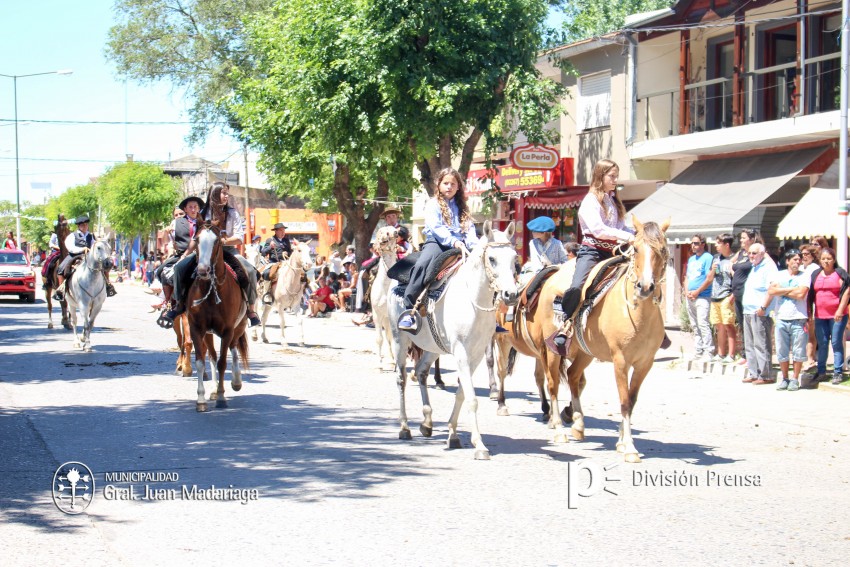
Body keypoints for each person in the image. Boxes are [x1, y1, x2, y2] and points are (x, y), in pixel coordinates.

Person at [553, 159, 634, 347]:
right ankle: (566, 324)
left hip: (613, 251)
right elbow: (598, 230)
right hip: (593, 251)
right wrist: (626, 236)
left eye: (616, 176)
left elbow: (621, 227)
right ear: (600, 176)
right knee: (577, 286)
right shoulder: (590, 200)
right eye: (611, 176)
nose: (615, 180)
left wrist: (636, 233)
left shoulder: (612, 200)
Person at [163, 182, 261, 327]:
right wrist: (185, 255)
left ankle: (251, 310)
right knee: (179, 269)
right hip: (204, 253)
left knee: (251, 271)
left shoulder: (232, 213)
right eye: (224, 193)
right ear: (214, 194)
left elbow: (240, 237)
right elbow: (195, 238)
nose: (227, 196)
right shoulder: (202, 214)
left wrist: (220, 241)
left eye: (227, 193)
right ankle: (178, 303)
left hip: (228, 252)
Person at [398, 167, 478, 331]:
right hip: (437, 242)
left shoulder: (463, 207)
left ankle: (492, 315)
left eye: (453, 184)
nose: (449, 187)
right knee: (422, 264)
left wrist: (475, 246)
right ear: (439, 185)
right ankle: (409, 310)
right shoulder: (433, 204)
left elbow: (469, 230)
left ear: (458, 187)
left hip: (462, 244)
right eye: (446, 183)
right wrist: (453, 241)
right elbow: (436, 227)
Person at [768, 249, 810, 391]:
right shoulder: (779, 275)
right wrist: (791, 289)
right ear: (787, 261)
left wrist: (783, 289)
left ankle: (795, 378)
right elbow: (771, 291)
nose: (797, 262)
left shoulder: (805, 276)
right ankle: (785, 378)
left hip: (798, 318)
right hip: (781, 317)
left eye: (799, 260)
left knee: (798, 351)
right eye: (794, 259)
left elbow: (801, 294)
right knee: (782, 350)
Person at [807, 247, 850, 385]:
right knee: (823, 343)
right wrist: (810, 313)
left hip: (837, 315)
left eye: (829, 259)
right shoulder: (816, 274)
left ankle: (838, 372)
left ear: (834, 260)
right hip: (820, 315)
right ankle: (821, 371)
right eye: (823, 259)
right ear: (820, 260)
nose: (826, 261)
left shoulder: (840, 274)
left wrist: (839, 310)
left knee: (836, 342)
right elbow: (811, 295)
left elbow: (847, 293)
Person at [156, 196, 203, 312]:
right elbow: (167, 241)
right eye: (190, 207)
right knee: (161, 271)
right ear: (185, 209)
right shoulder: (177, 223)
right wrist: (166, 233)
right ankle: (172, 301)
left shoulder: (204, 221)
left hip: (202, 255)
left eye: (195, 207)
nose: (193, 210)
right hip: (182, 254)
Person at [53, 215, 116, 301]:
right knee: (61, 269)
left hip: (89, 257)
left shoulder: (91, 236)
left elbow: (95, 246)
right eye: (83, 225)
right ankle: (61, 291)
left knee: (104, 267)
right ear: (78, 226)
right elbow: (70, 247)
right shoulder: (72, 236)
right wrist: (82, 249)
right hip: (74, 256)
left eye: (86, 225)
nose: (85, 226)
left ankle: (108, 286)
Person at [741, 243, 778, 384]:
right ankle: (753, 372)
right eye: (749, 253)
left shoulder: (768, 267)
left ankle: (765, 375)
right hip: (748, 310)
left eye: (754, 253)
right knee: (749, 344)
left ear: (762, 254)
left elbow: (772, 288)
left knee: (761, 344)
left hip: (760, 311)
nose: (751, 256)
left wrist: (764, 307)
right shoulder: (754, 267)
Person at [685, 234, 715, 360]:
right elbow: (687, 277)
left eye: (696, 243)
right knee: (694, 324)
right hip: (690, 295)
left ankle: (709, 351)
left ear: (703, 244)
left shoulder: (708, 258)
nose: (693, 245)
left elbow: (709, 278)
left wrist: (697, 291)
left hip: (702, 295)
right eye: (692, 243)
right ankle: (698, 350)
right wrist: (686, 291)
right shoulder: (692, 259)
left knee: (703, 323)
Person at [709, 234, 736, 363]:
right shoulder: (715, 258)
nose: (716, 245)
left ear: (727, 245)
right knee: (718, 326)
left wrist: (733, 295)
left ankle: (731, 355)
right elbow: (709, 278)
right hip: (715, 295)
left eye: (719, 243)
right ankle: (720, 354)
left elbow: (738, 278)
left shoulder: (734, 258)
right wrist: (713, 270)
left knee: (728, 325)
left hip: (727, 294)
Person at [799, 244, 820, 371]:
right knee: (802, 334)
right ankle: (803, 358)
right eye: (802, 255)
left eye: (807, 254)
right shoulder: (801, 267)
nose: (804, 257)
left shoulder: (815, 268)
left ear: (813, 256)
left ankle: (811, 359)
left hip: (810, 303)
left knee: (810, 333)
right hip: (800, 303)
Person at [41, 220, 65, 289]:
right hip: (56, 252)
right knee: (50, 263)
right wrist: (58, 248)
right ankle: (47, 280)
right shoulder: (54, 235)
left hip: (66, 252)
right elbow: (51, 244)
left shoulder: (68, 234)